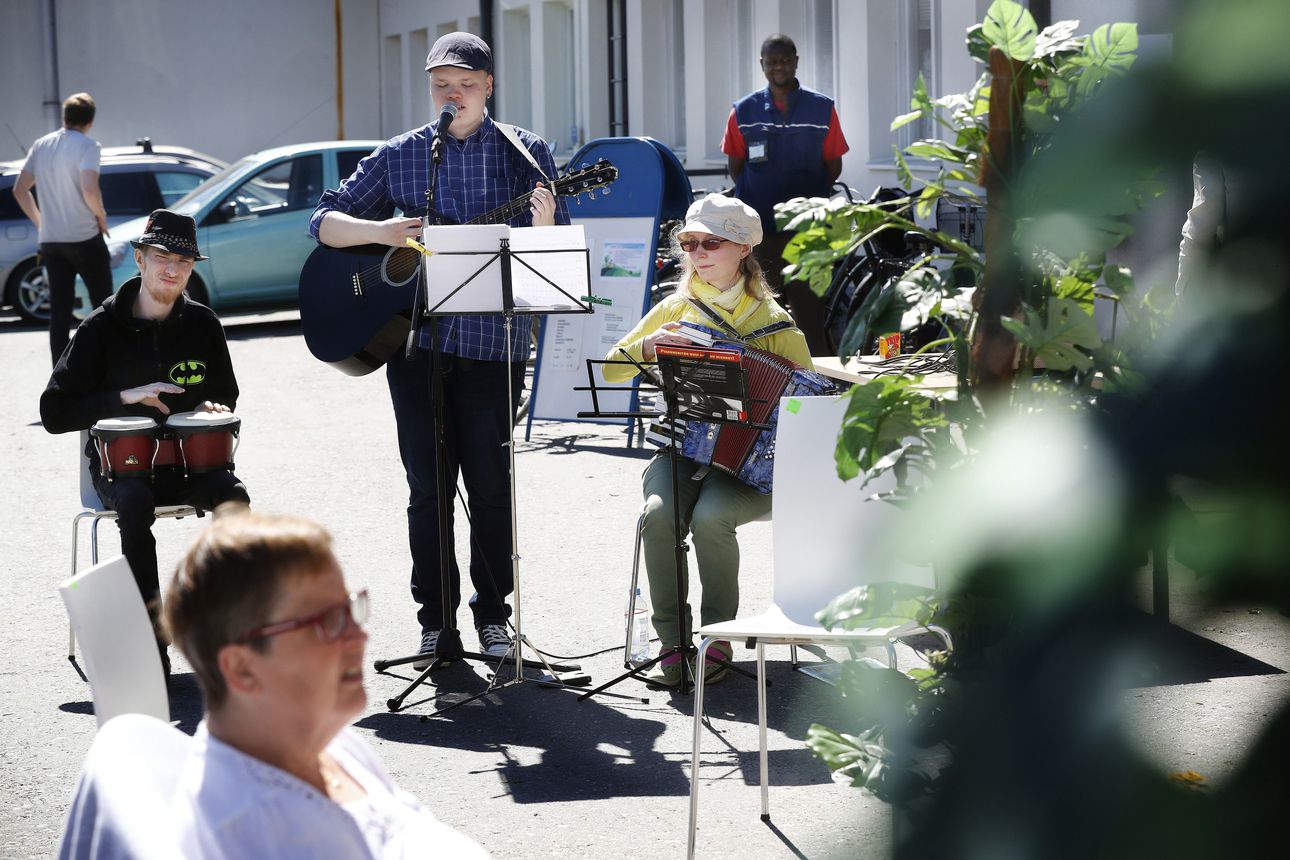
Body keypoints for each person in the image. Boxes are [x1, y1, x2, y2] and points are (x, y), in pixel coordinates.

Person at [309, 31, 569, 667]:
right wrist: (381, 230)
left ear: (488, 87)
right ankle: (435, 623)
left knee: (488, 485)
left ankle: (493, 618)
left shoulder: (525, 152)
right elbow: (323, 221)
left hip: (493, 344)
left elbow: (554, 252)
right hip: (415, 345)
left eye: (465, 86)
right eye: (441, 87)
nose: (452, 96)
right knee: (427, 488)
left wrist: (544, 228)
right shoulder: (403, 155)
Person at [162, 506, 489, 858]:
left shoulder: (318, 739)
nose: (359, 637)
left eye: (350, 609)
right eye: (329, 621)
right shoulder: (256, 835)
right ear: (242, 668)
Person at [603, 194, 813, 686]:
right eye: (688, 242)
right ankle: (672, 643)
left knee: (712, 516)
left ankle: (716, 635)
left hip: (750, 463)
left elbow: (810, 404)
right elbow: (613, 369)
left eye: (710, 242)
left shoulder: (775, 322)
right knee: (659, 516)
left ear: (743, 248)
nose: (696, 251)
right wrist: (650, 346)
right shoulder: (676, 307)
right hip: (679, 445)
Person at [40, 209, 250, 673]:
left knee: (234, 497)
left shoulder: (203, 324)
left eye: (184, 261)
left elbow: (225, 393)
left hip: (189, 464)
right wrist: (122, 397)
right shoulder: (99, 329)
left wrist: (215, 407)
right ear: (139, 259)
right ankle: (151, 641)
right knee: (134, 502)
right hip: (124, 469)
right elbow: (53, 412)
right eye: (162, 256)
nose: (172, 269)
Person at [721, 34, 849, 356]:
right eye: (773, 61)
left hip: (808, 234)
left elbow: (833, 166)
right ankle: (767, 387)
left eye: (786, 60)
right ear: (762, 64)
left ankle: (817, 386)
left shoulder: (822, 108)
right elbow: (737, 166)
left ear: (796, 60)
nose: (780, 66)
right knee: (762, 314)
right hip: (760, 232)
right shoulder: (743, 111)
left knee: (810, 314)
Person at [12, 92, 115, 365]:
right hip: (84, 237)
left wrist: (40, 222)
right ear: (90, 121)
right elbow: (89, 189)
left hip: (51, 241)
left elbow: (20, 190)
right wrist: (101, 216)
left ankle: (61, 374)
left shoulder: (41, 144)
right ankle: (108, 364)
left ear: (65, 117)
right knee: (104, 305)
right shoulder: (89, 146)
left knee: (59, 312)